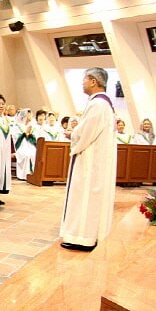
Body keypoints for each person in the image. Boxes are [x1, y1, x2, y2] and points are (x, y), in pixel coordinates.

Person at [60, 67, 117, 252]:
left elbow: (86, 132)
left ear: (93, 81)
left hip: (90, 162)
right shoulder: (103, 104)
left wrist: (72, 134)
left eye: (84, 79)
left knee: (85, 197)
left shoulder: (98, 104)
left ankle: (82, 238)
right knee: (90, 198)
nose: (82, 83)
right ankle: (84, 235)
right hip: (96, 160)